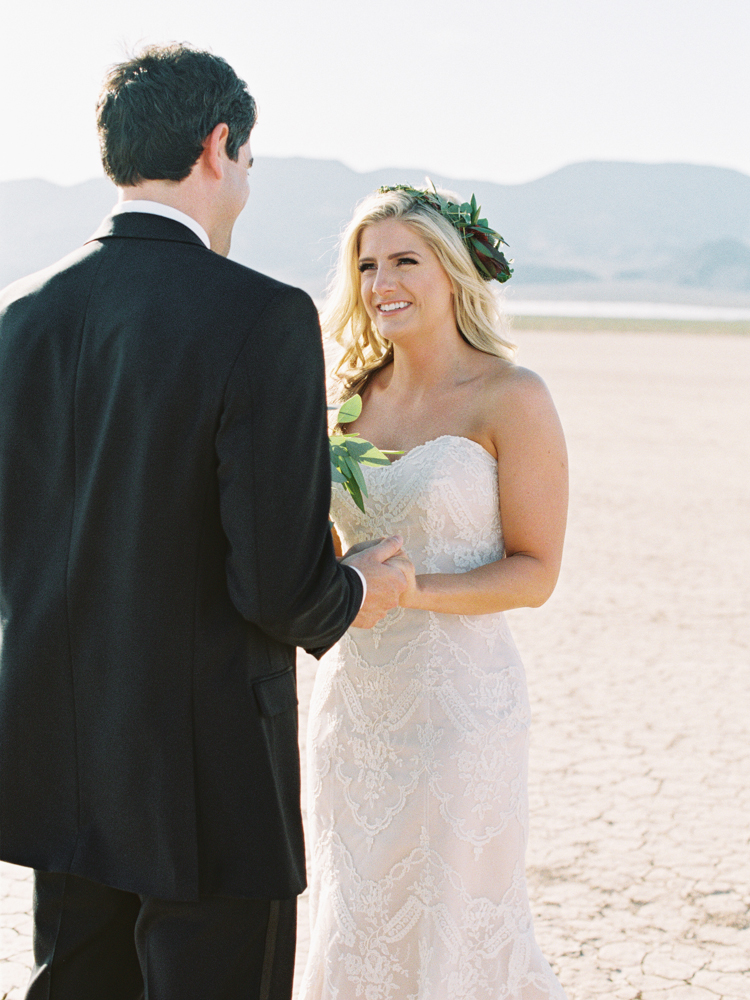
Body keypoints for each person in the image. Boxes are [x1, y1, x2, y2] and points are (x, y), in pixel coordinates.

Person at [0, 45, 408, 1000]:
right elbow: (275, 580)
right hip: (208, 760)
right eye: (253, 159)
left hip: (60, 740)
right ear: (220, 145)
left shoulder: (22, 316)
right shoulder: (259, 314)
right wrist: (359, 590)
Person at [300, 185, 570, 999]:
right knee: (357, 910)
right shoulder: (346, 402)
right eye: (368, 263)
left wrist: (412, 593)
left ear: (452, 273)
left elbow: (536, 571)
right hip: (354, 711)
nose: (383, 280)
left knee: (456, 912)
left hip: (462, 716)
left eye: (405, 261)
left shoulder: (510, 397)